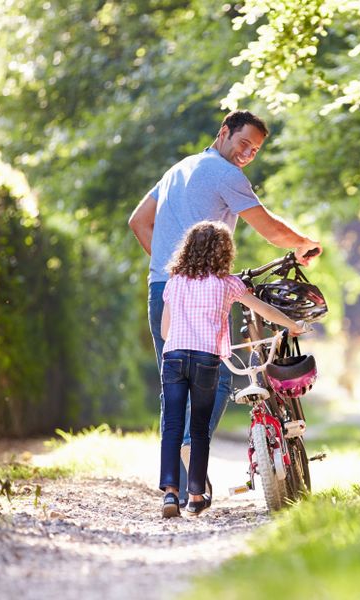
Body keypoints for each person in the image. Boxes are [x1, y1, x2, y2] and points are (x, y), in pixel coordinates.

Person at [128, 110, 321, 506]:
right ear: (223, 132)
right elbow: (268, 228)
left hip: (164, 288)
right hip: (206, 292)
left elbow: (138, 221)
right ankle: (188, 455)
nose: (247, 154)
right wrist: (303, 243)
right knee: (213, 378)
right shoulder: (225, 174)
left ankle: (180, 489)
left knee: (175, 381)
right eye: (243, 144)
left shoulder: (180, 168)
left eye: (254, 151)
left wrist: (176, 269)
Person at [159, 221, 305, 518]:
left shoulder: (174, 282)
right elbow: (263, 310)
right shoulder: (227, 283)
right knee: (198, 430)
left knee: (172, 427)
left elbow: (164, 330)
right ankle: (196, 495)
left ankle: (170, 494)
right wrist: (293, 326)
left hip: (173, 356)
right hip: (205, 359)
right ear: (224, 252)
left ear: (187, 249)